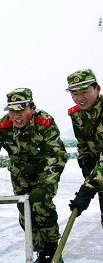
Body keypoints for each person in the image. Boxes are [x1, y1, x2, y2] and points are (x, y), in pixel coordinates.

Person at [0, 88, 68, 263]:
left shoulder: (45, 123)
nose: (16, 116)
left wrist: (45, 185)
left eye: (20, 111)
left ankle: (51, 251)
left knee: (43, 207)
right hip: (20, 174)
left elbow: (57, 155)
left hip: (45, 171)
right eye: (11, 111)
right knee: (25, 212)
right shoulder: (2, 126)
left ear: (31, 108)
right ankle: (41, 250)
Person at [65, 69, 102, 224]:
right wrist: (85, 158)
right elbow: (82, 141)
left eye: (84, 92)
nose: (79, 98)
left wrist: (87, 189)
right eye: (74, 94)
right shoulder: (77, 115)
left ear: (97, 89)